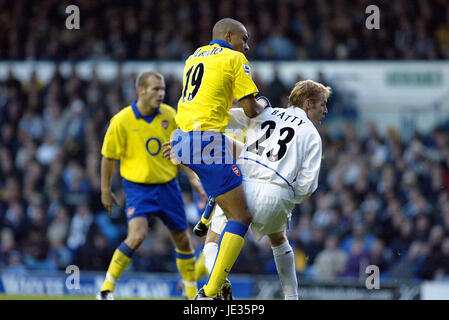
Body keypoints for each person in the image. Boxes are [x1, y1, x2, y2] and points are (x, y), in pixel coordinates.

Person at [198, 79, 331, 299]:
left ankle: (218, 284)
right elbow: (308, 185)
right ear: (308, 104)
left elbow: (226, 120)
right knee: (279, 240)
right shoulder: (311, 134)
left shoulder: (266, 112)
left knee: (212, 240)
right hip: (277, 193)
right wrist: (287, 194)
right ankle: (292, 297)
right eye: (322, 104)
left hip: (242, 185)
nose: (325, 110)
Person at [170, 18, 269, 299]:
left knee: (238, 166)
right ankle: (210, 291)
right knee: (242, 215)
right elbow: (250, 109)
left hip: (182, 139)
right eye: (244, 39)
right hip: (206, 142)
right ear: (229, 35)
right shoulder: (234, 58)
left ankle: (207, 216)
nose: (247, 47)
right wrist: (264, 103)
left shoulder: (194, 56)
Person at [96, 71, 207, 300]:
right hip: (138, 189)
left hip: (168, 186)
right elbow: (108, 157)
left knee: (184, 240)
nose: (161, 93)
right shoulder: (122, 120)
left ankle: (190, 293)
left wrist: (193, 179)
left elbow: (180, 150)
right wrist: (105, 190)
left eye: (163, 89)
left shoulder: (169, 114)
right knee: (137, 236)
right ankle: (106, 290)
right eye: (156, 89)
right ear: (141, 90)